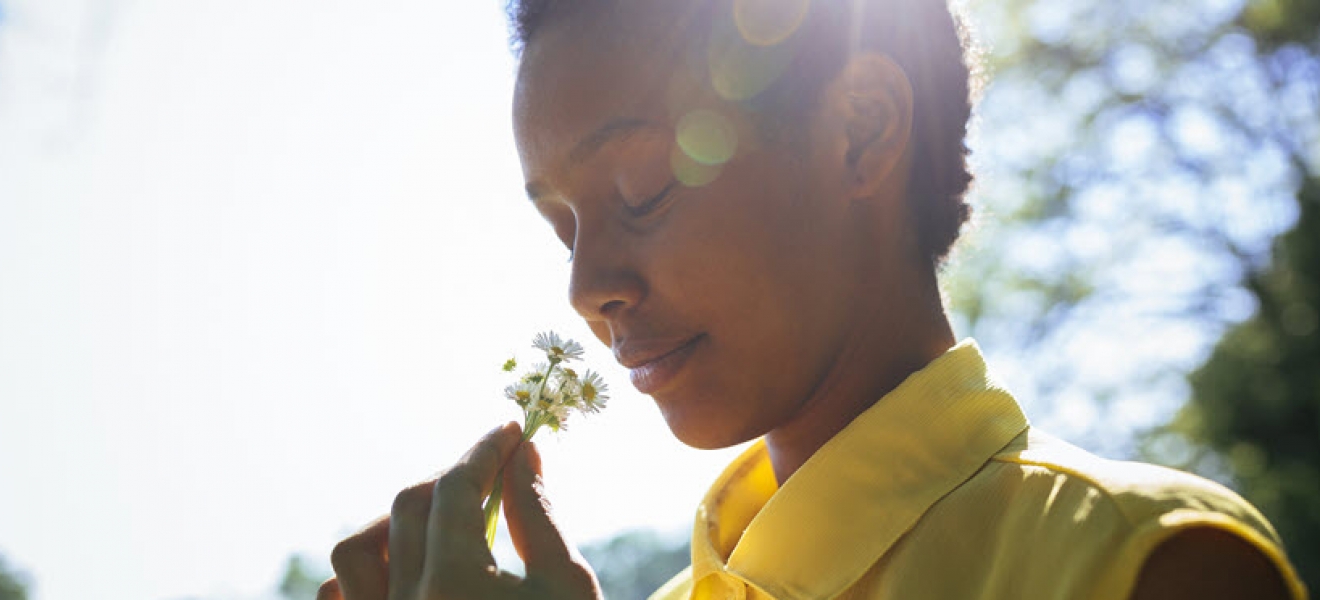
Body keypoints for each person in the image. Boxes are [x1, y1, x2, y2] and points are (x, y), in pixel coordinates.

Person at [318, 0, 1310, 598]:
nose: (587, 290)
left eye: (640, 192)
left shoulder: (1141, 568)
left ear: (860, 131)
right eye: (561, 226)